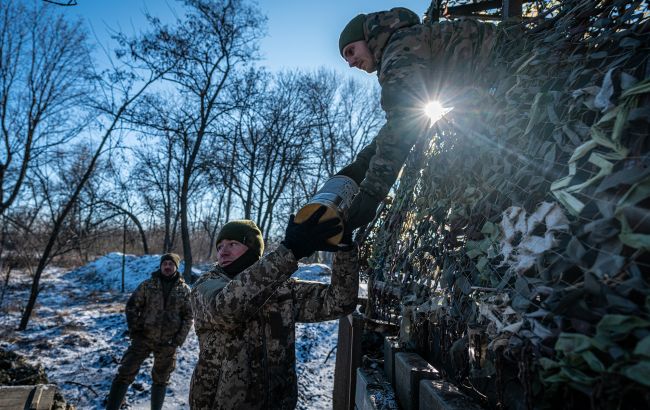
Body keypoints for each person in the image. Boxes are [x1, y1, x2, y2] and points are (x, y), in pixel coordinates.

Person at [336, 7, 496, 230]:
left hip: (512, 61)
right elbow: (399, 123)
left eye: (351, 51)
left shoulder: (399, 48)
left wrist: (371, 193)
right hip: (501, 73)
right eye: (346, 59)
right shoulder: (401, 43)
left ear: (367, 38)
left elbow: (403, 122)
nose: (351, 63)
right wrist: (361, 165)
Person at [189, 207, 359, 409]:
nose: (223, 252)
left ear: (252, 249)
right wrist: (289, 252)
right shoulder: (205, 285)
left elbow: (340, 302)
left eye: (232, 244)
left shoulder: (282, 290)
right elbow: (227, 309)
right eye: (220, 247)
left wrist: (345, 247)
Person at [106, 253, 193, 410]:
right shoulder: (148, 285)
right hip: (143, 338)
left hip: (168, 343)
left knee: (161, 379)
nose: (167, 266)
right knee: (124, 373)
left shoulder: (185, 290)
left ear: (176, 267)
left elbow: (189, 317)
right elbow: (132, 306)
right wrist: (135, 330)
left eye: (171, 264)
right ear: (160, 266)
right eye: (165, 263)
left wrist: (177, 340)